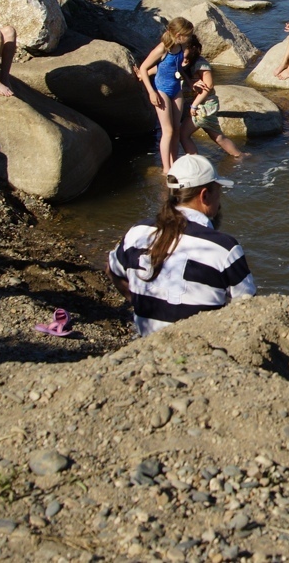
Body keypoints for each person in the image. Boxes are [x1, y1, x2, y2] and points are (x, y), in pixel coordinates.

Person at [106, 154, 255, 337]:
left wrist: (138, 301)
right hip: (201, 348)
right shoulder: (225, 248)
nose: (220, 199)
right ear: (205, 195)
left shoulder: (137, 232)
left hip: (146, 345)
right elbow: (249, 308)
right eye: (218, 191)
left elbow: (112, 270)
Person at [137, 17, 195, 174]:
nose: (190, 37)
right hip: (161, 90)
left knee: (176, 129)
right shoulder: (162, 49)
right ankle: (166, 169)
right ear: (176, 34)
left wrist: (190, 83)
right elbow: (143, 68)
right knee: (168, 130)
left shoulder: (182, 46)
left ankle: (174, 163)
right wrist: (151, 92)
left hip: (176, 89)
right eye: (187, 35)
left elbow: (178, 68)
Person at [178, 37, 244, 160]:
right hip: (196, 104)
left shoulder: (200, 64)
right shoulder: (182, 62)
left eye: (183, 48)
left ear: (192, 49)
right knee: (217, 136)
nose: (179, 50)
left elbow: (208, 86)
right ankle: (239, 155)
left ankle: (196, 164)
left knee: (183, 135)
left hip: (204, 105)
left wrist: (194, 105)